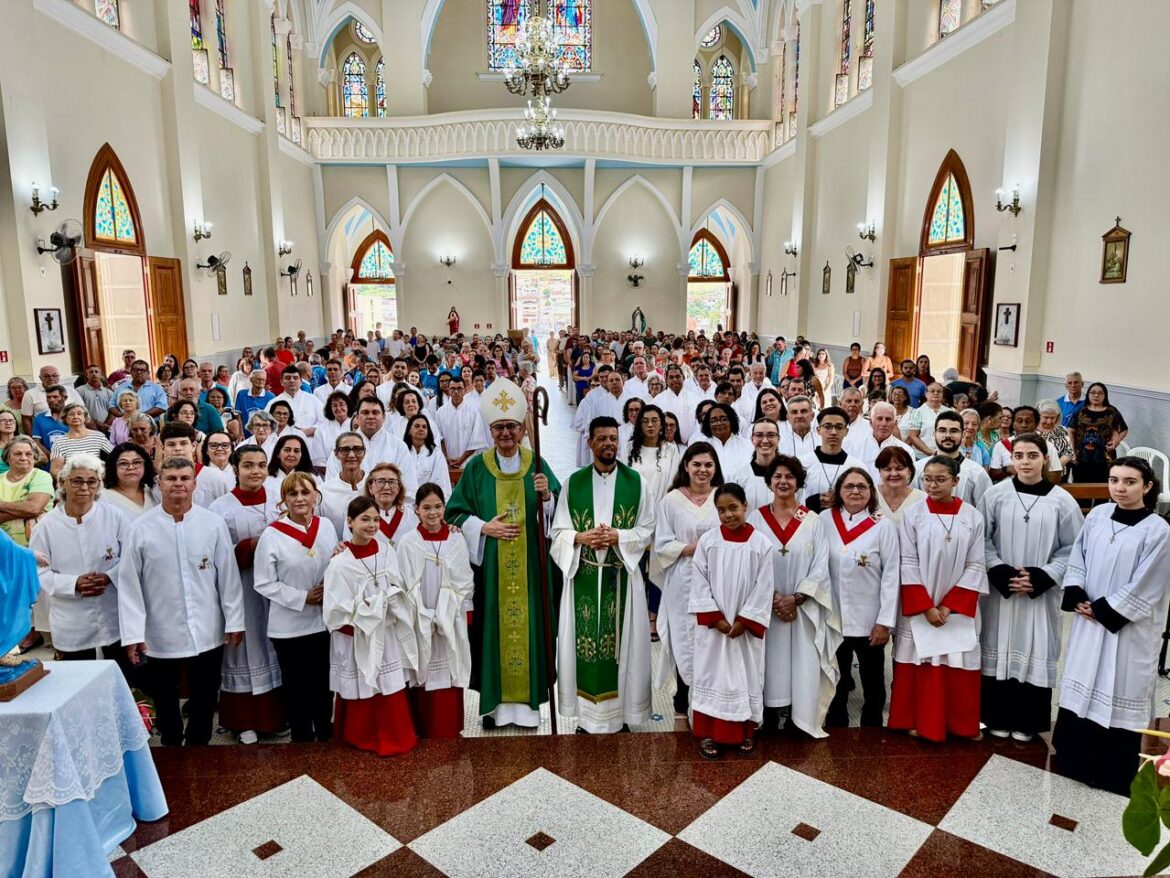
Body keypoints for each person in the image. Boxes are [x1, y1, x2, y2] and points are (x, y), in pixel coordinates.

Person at [445, 383, 561, 730]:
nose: (506, 433)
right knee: (493, 630)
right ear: (491, 431)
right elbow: (455, 514)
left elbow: (559, 513)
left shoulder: (536, 464)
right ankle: (494, 707)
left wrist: (547, 498)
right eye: (499, 427)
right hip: (492, 572)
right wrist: (483, 528)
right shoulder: (477, 468)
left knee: (530, 629)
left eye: (512, 426)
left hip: (530, 568)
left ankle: (528, 707)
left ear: (523, 429)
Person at [1052, 456, 1170, 794]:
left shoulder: (1158, 530)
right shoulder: (1099, 516)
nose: (1120, 487)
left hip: (1128, 629)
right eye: (1114, 480)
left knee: (1119, 688)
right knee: (1083, 679)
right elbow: (1079, 557)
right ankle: (1075, 759)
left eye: (1130, 481)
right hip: (1090, 622)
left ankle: (1111, 771)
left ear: (1147, 487)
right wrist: (1077, 594)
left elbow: (1149, 582)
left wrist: (1106, 609)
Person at [119, 457, 245, 746]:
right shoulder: (140, 528)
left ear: (194, 484)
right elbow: (129, 587)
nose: (178, 484)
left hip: (207, 626)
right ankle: (172, 745)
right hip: (160, 629)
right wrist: (133, 634)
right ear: (159, 483)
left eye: (184, 478)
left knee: (205, 694)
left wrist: (234, 620)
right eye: (172, 478)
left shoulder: (211, 523)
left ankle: (200, 746)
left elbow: (228, 577)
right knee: (165, 696)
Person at [551, 416, 655, 734]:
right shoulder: (573, 482)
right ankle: (586, 718)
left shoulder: (636, 482)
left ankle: (622, 715)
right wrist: (578, 538)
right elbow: (558, 532)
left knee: (623, 647)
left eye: (613, 438)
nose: (609, 443)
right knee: (584, 647)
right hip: (583, 574)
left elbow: (647, 528)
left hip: (620, 575)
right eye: (602, 438)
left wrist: (618, 538)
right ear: (590, 443)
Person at [978, 433, 1083, 742]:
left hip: (1040, 593)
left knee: (1034, 647)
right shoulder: (996, 495)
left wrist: (1042, 575)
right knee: (998, 647)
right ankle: (995, 715)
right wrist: (999, 570)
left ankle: (1027, 720)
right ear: (1012, 459)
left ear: (1045, 459)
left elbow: (1073, 548)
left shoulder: (1062, 501)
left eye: (1032, 456)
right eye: (1019, 455)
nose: (1025, 462)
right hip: (1002, 589)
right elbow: (981, 538)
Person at [888, 455, 987, 742]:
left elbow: (976, 564)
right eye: (928, 479)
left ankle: (961, 724)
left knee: (958, 661)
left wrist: (949, 605)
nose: (933, 485)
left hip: (956, 606)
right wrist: (926, 606)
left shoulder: (972, 516)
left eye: (941, 479)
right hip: (922, 603)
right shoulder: (914, 514)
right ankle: (918, 720)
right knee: (919, 662)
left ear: (956, 481)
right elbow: (907, 561)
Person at [747, 456, 840, 737]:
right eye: (777, 476)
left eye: (790, 477)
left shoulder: (812, 520)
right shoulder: (756, 517)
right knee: (769, 661)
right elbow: (749, 563)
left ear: (798, 482)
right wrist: (775, 598)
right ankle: (770, 716)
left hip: (803, 609)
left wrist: (796, 598)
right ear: (769, 481)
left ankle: (800, 719)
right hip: (768, 608)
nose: (783, 482)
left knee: (803, 660)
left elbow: (821, 566)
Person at [324, 495, 419, 756]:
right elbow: (334, 610)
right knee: (363, 683)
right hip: (358, 637)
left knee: (387, 683)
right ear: (350, 522)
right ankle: (360, 736)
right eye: (365, 519)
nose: (372, 525)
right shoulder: (340, 563)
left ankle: (395, 735)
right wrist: (369, 611)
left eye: (376, 519)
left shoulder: (386, 550)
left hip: (385, 632)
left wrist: (390, 602)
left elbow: (398, 584)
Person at [689, 483, 773, 758]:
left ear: (745, 506)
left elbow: (764, 586)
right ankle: (709, 734)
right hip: (715, 630)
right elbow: (699, 582)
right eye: (721, 510)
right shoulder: (708, 542)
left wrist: (745, 620)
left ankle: (744, 733)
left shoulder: (760, 544)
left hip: (744, 630)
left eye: (733, 508)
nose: (728, 515)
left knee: (743, 676)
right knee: (711, 676)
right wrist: (715, 619)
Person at [253, 470, 337, 744]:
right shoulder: (272, 535)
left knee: (324, 686)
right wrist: (302, 597)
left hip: (324, 622)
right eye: (293, 493)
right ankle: (302, 743)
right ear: (284, 500)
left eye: (305, 492)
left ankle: (325, 735)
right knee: (297, 689)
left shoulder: (326, 526)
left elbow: (336, 566)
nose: (300, 498)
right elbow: (263, 583)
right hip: (289, 628)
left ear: (316, 496)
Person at [209, 447, 285, 745]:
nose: (256, 471)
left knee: (273, 646)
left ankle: (275, 717)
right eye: (248, 465)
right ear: (235, 468)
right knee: (243, 650)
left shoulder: (279, 502)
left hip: (276, 589)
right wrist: (252, 545)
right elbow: (217, 553)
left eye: (262, 465)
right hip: (241, 586)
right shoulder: (220, 508)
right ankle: (244, 721)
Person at [30, 454, 132, 676]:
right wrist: (73, 584)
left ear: (99, 485)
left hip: (114, 615)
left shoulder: (115, 517)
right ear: (63, 482)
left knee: (126, 679)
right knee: (77, 681)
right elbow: (39, 571)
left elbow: (131, 557)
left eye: (91, 481)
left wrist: (109, 576)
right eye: (77, 480)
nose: (84, 487)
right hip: (71, 622)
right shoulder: (46, 526)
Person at [822, 467, 899, 728]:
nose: (855, 491)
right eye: (849, 486)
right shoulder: (824, 520)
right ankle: (836, 723)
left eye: (862, 486)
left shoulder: (883, 526)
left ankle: (872, 726)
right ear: (839, 491)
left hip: (870, 620)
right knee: (837, 677)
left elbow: (891, 576)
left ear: (871, 491)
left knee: (873, 679)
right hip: (833, 617)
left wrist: (884, 622)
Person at [398, 483, 474, 739]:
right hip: (420, 616)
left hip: (451, 617)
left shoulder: (456, 537)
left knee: (450, 666)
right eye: (426, 508)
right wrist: (421, 615)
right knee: (422, 668)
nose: (433, 513)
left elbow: (465, 579)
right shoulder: (409, 542)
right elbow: (405, 583)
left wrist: (460, 612)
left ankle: (448, 726)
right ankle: (421, 726)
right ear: (416, 510)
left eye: (438, 507)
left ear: (445, 507)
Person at [653, 442, 723, 716]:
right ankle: (682, 703)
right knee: (684, 640)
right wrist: (697, 548)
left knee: (714, 641)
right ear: (686, 466)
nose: (702, 470)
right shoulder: (671, 500)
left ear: (715, 468)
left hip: (718, 582)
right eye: (697, 464)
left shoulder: (722, 496)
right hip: (682, 581)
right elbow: (662, 544)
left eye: (708, 465)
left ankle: (712, 706)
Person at [912, 412, 991, 505]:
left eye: (954, 431)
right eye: (942, 430)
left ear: (963, 434)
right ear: (934, 434)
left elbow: (985, 510)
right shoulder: (917, 469)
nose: (948, 435)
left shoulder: (977, 473)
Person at [798, 407, 865, 513]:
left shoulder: (857, 467)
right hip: (809, 523)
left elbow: (865, 500)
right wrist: (813, 501)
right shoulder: (802, 464)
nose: (833, 432)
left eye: (839, 427)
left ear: (846, 431)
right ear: (818, 430)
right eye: (828, 427)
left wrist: (841, 500)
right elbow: (791, 499)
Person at [1069, 382, 1128, 483]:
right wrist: (1072, 452)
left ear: (1105, 395)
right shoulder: (1080, 410)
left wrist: (1116, 440)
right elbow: (1071, 431)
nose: (1096, 395)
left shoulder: (1112, 411)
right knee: (1081, 489)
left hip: (1105, 457)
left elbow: (1123, 429)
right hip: (1081, 457)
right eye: (1093, 392)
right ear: (1088, 394)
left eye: (1100, 393)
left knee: (1103, 487)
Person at [434, 375, 489, 477]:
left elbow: (477, 440)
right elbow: (438, 438)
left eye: (459, 388)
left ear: (464, 390)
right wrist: (446, 457)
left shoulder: (473, 411)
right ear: (449, 390)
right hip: (447, 463)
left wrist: (461, 459)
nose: (456, 392)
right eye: (453, 388)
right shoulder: (440, 412)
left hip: (467, 462)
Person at [101, 442, 157, 517]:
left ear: (145, 466)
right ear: (113, 468)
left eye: (137, 462)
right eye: (123, 463)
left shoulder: (153, 492)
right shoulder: (103, 497)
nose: (131, 467)